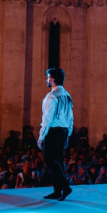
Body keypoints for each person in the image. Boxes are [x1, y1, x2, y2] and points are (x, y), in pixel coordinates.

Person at [39, 68, 75, 201]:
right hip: (63, 130)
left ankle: (65, 187)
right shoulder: (67, 95)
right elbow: (70, 117)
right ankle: (57, 191)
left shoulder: (52, 96)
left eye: (48, 77)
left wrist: (41, 136)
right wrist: (68, 133)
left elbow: (47, 119)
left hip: (53, 131)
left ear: (53, 79)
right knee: (58, 161)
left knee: (49, 160)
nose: (47, 79)